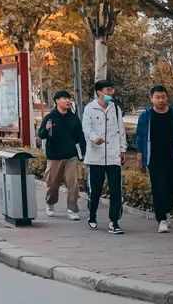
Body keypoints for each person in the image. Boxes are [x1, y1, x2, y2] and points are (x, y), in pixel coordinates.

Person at [135, 84, 173, 233]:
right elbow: (139, 138)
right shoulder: (146, 116)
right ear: (151, 98)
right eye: (157, 97)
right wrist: (140, 159)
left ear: (167, 97)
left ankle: (166, 210)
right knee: (159, 187)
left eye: (163, 97)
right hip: (154, 158)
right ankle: (162, 220)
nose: (161, 100)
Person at [83, 79, 127, 234]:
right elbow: (86, 129)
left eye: (112, 90)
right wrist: (95, 138)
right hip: (96, 156)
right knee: (95, 190)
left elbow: (121, 130)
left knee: (116, 190)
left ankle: (114, 222)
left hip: (113, 156)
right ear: (99, 92)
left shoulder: (115, 109)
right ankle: (92, 215)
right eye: (108, 90)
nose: (111, 93)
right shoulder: (90, 108)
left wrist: (122, 150)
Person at [37, 90, 86, 220]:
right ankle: (50, 203)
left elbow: (80, 136)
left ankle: (72, 209)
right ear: (57, 100)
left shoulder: (74, 117)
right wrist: (46, 129)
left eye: (69, 99)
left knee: (73, 184)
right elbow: (41, 135)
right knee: (53, 184)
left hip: (71, 156)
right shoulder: (50, 117)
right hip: (54, 156)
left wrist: (83, 153)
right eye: (65, 98)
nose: (68, 101)